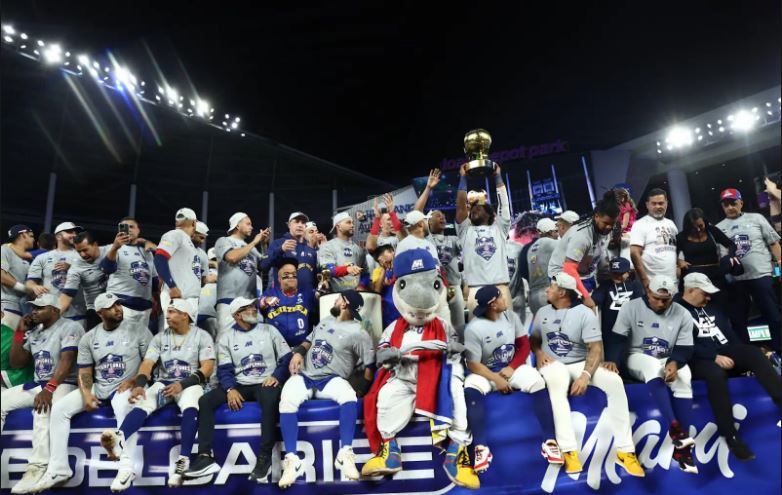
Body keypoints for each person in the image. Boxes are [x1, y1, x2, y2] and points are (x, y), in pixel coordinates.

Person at [32, 293, 152, 492]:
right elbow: (85, 370)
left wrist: (133, 380)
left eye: (118, 304)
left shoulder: (138, 330)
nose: (118, 309)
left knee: (123, 405)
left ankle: (126, 467)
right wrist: (86, 393)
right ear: (99, 313)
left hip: (128, 385)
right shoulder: (90, 337)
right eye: (111, 306)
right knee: (59, 408)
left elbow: (150, 363)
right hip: (101, 384)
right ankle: (58, 468)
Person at [530, 273, 644, 477]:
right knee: (558, 379)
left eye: (552, 287)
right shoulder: (542, 312)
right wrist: (538, 353)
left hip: (579, 362)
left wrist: (585, 376)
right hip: (552, 363)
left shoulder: (584, 313)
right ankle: (569, 450)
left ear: (562, 293)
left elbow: (595, 348)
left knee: (615, 381)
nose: (547, 289)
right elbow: (535, 339)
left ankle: (626, 450)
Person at [100, 299, 215, 489]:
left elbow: (208, 367)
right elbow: (147, 363)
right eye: (167, 311)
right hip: (164, 382)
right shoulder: (160, 338)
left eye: (172, 312)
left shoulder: (202, 336)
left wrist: (182, 384)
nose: (167, 315)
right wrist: (140, 385)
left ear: (185, 315)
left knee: (191, 402)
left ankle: (184, 459)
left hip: (189, 383)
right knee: (144, 401)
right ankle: (119, 439)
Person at [184, 296, 291, 483]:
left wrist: (277, 376)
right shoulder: (226, 338)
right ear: (237, 315)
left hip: (265, 381)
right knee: (205, 401)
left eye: (253, 306)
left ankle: (264, 457)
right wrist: (230, 389)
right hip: (240, 383)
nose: (253, 309)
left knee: (270, 400)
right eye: (247, 308)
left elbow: (286, 357)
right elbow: (224, 369)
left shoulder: (269, 330)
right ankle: (204, 457)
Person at [676, 272, 782, 460]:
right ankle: (731, 437)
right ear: (691, 290)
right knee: (716, 374)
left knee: (752, 352)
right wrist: (714, 356)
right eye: (705, 293)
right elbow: (681, 345)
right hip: (697, 359)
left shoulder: (713, 308)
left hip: (724, 351)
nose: (708, 298)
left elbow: (730, 335)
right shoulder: (675, 311)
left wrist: (742, 354)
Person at [277, 291, 374, 488]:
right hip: (305, 376)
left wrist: (362, 389)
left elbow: (370, 365)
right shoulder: (326, 320)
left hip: (331, 379)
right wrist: (298, 353)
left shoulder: (359, 332)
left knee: (348, 396)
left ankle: (345, 453)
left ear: (344, 304)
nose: (335, 300)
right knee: (287, 399)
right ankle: (292, 460)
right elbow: (308, 340)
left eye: (339, 298)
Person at [463, 286, 562, 476]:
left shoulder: (510, 316)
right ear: (493, 304)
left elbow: (524, 346)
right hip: (486, 373)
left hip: (511, 369)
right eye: (500, 297)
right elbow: (473, 364)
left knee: (537, 381)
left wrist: (512, 367)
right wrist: (496, 379)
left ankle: (549, 441)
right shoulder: (473, 328)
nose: (504, 299)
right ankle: (481, 447)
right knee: (470, 387)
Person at [610, 275, 698, 474]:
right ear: (648, 291)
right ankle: (674, 427)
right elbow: (617, 338)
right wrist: (612, 360)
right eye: (656, 298)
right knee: (651, 365)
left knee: (685, 375)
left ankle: (682, 450)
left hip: (667, 358)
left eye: (665, 300)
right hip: (637, 356)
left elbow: (685, 347)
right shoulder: (630, 307)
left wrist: (675, 362)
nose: (660, 303)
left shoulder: (682, 313)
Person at [0, 294, 83, 494]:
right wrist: (19, 333)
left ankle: (37, 467)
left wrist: (50, 388)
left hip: (65, 384)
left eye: (39, 308)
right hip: (39, 384)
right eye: (33, 308)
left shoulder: (70, 326)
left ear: (54, 310)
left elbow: (68, 360)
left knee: (42, 408)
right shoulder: (35, 331)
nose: (34, 311)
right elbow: (17, 363)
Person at [716, 188, 781, 353]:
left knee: (773, 314)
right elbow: (721, 257)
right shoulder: (718, 228)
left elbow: (773, 243)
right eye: (726, 205)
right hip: (736, 280)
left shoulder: (756, 218)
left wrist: (780, 265)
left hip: (761, 274)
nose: (730, 207)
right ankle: (749, 354)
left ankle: (779, 349)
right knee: (738, 321)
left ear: (741, 203)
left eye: (733, 203)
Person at [455, 163, 512, 316]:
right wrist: (463, 178)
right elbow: (461, 207)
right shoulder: (465, 230)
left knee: (507, 328)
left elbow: (504, 205)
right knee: (479, 330)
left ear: (490, 214)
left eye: (478, 208)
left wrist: (498, 177)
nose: (474, 210)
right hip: (475, 290)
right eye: (472, 209)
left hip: (501, 288)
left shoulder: (500, 228)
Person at [548, 190, 621, 309]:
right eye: (606, 223)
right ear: (596, 216)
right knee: (581, 312)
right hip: (562, 275)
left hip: (585, 273)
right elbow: (569, 268)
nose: (609, 227)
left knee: (594, 308)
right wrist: (585, 296)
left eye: (612, 224)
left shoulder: (607, 229)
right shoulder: (582, 236)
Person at [413, 171, 466, 332]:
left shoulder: (453, 239)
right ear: (428, 222)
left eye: (443, 215)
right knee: (442, 326)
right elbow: (416, 213)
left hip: (454, 286)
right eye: (437, 216)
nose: (442, 217)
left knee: (460, 326)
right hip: (436, 287)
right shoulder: (427, 238)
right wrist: (428, 188)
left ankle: (460, 347)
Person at [214, 211, 270, 337]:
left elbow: (263, 266)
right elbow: (232, 257)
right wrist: (254, 242)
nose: (252, 227)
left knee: (252, 341)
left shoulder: (250, 247)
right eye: (248, 224)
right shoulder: (224, 241)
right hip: (228, 301)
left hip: (249, 304)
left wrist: (263, 245)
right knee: (226, 340)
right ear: (237, 226)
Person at [100, 218, 158, 327]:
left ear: (138, 230)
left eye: (131, 227)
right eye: (125, 227)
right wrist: (115, 247)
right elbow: (106, 269)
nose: (129, 230)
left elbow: (154, 281)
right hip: (121, 305)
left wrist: (157, 302)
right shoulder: (114, 248)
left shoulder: (147, 252)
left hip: (144, 307)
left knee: (140, 338)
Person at [26, 222, 86, 325]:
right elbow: (29, 282)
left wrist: (72, 268)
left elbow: (92, 280)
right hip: (48, 316)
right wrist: (34, 286)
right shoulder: (42, 258)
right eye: (69, 232)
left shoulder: (84, 256)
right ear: (58, 236)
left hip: (76, 315)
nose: (74, 235)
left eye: (75, 232)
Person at [153, 208, 202, 331]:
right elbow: (159, 258)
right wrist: (172, 286)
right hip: (177, 297)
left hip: (186, 298)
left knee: (186, 338)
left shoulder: (186, 240)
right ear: (194, 223)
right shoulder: (175, 235)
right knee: (174, 337)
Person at [592, 257, 644, 365]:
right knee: (611, 364)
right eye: (614, 273)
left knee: (629, 363)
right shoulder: (605, 286)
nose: (617, 276)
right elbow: (593, 301)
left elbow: (640, 307)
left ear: (628, 273)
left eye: (621, 273)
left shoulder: (635, 286)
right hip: (611, 334)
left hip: (631, 332)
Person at [259, 257, 315, 346]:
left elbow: (319, 296)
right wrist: (265, 300)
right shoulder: (270, 293)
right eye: (286, 274)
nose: (291, 277)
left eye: (294, 274)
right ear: (279, 279)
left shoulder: (306, 293)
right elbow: (259, 304)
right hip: (277, 347)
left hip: (301, 348)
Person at [59, 231, 110, 329]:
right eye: (79, 251)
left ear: (95, 244)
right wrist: (52, 318)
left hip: (118, 306)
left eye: (85, 250)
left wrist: (142, 242)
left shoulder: (111, 251)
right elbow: (67, 294)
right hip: (95, 309)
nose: (82, 254)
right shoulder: (76, 266)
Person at [630, 188, 678, 287]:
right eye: (654, 203)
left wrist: (679, 266)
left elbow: (676, 248)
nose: (658, 206)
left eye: (661, 203)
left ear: (666, 203)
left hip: (673, 281)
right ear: (647, 205)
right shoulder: (640, 224)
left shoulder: (671, 224)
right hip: (653, 283)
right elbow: (634, 253)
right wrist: (644, 281)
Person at [263, 212, 319, 293]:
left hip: (307, 298)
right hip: (283, 297)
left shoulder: (310, 248)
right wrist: (281, 249)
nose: (300, 225)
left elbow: (316, 277)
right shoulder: (278, 243)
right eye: (296, 222)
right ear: (289, 225)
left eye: (303, 223)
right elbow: (263, 264)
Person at [318, 212, 366, 293]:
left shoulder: (359, 250)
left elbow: (365, 274)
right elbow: (327, 271)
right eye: (348, 222)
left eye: (353, 223)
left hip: (356, 296)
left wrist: (362, 285)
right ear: (338, 226)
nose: (352, 225)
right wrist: (347, 269)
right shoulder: (327, 246)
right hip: (335, 296)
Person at [2, 224, 35, 329]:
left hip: (23, 310)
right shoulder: (5, 250)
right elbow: (1, 276)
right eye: (31, 236)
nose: (33, 239)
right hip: (6, 306)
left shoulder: (30, 258)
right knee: (4, 339)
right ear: (23, 235)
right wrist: (25, 289)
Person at [524, 218, 559, 316]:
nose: (558, 234)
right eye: (556, 231)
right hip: (546, 294)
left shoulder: (532, 247)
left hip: (533, 297)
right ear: (550, 232)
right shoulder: (550, 243)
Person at [1, 308, 34, 390]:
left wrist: (19, 333)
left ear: (1, 315)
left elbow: (17, 365)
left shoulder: (11, 337)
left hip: (15, 385)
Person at [370, 244, 399, 329]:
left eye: (393, 251)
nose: (393, 253)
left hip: (401, 309)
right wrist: (384, 269)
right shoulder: (377, 271)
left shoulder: (401, 267)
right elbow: (377, 290)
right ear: (380, 259)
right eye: (389, 252)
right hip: (387, 311)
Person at [197, 249, 218, 338]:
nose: (216, 261)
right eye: (214, 259)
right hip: (194, 312)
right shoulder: (200, 269)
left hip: (210, 314)